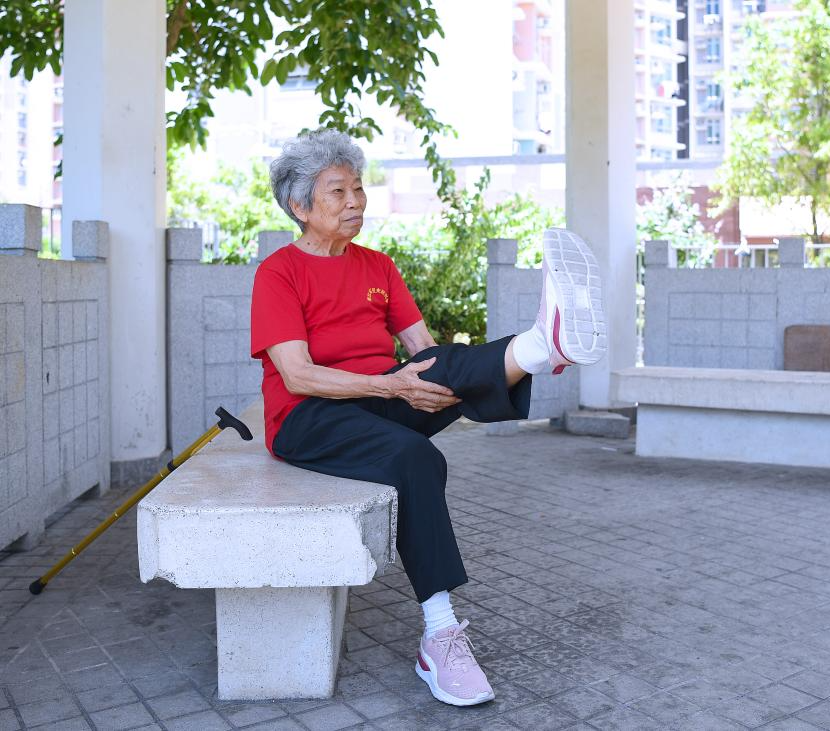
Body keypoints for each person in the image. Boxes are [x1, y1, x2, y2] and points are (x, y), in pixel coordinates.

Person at [250, 129, 606, 706]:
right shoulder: (279, 273)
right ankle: (439, 636)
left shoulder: (378, 266)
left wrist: (447, 380)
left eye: (359, 188)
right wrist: (391, 384)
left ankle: (541, 348)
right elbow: (297, 375)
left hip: (379, 399)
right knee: (416, 456)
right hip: (308, 416)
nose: (356, 201)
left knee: (450, 366)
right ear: (299, 205)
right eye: (338, 191)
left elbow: (427, 352)